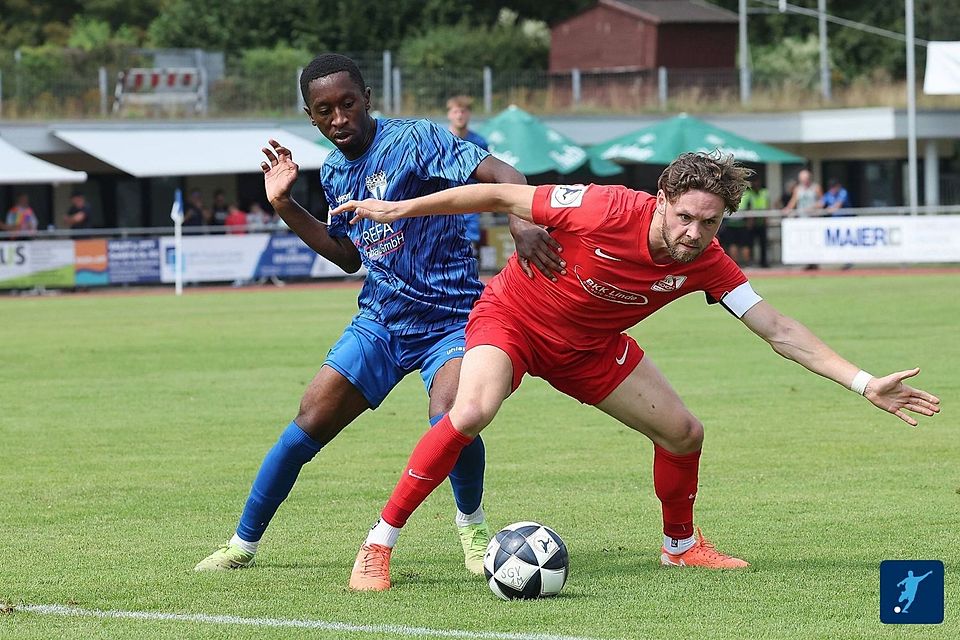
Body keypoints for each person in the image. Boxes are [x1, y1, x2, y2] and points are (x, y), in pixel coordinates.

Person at [331, 151, 941, 591]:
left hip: (590, 348)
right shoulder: (600, 208)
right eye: (685, 217)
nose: (694, 233)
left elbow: (777, 329)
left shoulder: (707, 261)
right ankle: (379, 544)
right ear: (661, 200)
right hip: (514, 319)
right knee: (472, 409)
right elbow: (495, 195)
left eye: (710, 223)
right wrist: (399, 208)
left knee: (684, 433)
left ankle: (680, 547)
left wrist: (864, 383)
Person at [194, 53, 562, 573]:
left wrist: (523, 224)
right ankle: (242, 545)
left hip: (453, 317)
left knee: (453, 415)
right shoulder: (336, 172)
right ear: (310, 117)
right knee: (309, 418)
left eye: (347, 104)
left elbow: (503, 173)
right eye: (324, 111)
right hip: (382, 321)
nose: (339, 119)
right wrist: (284, 205)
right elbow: (348, 255)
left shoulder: (414, 139)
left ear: (367, 98)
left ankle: (474, 531)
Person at [447, 95, 488, 260]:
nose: (459, 115)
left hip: (471, 204)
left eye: (463, 111)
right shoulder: (440, 139)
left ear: (469, 114)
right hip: (444, 203)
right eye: (456, 111)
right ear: (449, 114)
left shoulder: (479, 142)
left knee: (468, 253)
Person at [782, 169, 823, 270]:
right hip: (802, 220)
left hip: (813, 219)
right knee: (805, 241)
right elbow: (793, 201)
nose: (804, 181)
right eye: (802, 179)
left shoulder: (816, 187)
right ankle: (808, 262)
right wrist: (787, 209)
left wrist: (813, 207)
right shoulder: (798, 189)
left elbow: (822, 201)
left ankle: (814, 263)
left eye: (806, 179)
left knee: (815, 241)